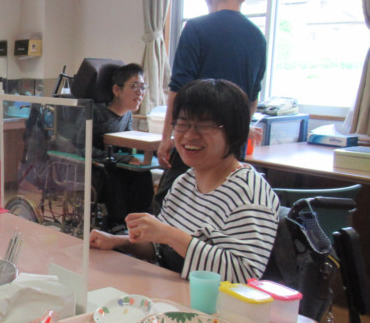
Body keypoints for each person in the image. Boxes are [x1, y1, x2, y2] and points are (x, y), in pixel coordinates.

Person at [90, 79, 279, 284]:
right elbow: (163, 250)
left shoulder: (249, 193)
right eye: (182, 124)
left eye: (204, 126)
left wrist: (169, 234)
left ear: (235, 132)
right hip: (173, 294)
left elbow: (244, 275)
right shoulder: (185, 181)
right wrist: (119, 242)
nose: (189, 135)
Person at [154, 0, 267, 214]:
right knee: (220, 207)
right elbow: (253, 97)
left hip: (196, 137)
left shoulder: (196, 28)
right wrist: (238, 131)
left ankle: (167, 251)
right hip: (231, 143)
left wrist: (167, 137)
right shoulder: (257, 37)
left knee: (171, 205)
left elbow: (179, 90)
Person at [77, 63, 154, 230]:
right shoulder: (95, 114)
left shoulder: (127, 114)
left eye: (143, 87)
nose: (140, 92)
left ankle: (143, 221)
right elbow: (83, 148)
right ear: (116, 90)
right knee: (116, 176)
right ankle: (117, 224)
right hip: (92, 169)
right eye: (134, 86)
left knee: (143, 173)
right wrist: (124, 159)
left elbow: (125, 143)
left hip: (113, 164)